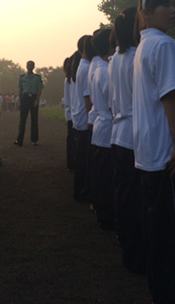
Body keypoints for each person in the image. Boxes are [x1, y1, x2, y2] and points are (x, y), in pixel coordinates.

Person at [132, 0, 175, 304]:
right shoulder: (161, 45)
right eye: (165, 6)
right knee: (171, 234)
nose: (173, 10)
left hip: (150, 153)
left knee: (158, 234)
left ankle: (165, 293)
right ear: (145, 14)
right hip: (166, 154)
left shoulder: (145, 45)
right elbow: (170, 97)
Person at [108, 7, 146, 274]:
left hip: (118, 133)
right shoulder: (136, 58)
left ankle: (126, 246)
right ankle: (136, 255)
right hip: (135, 134)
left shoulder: (115, 59)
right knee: (137, 199)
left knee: (124, 195)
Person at [89, 28, 114, 229]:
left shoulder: (99, 68)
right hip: (108, 129)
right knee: (107, 177)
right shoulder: (107, 71)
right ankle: (106, 216)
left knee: (101, 175)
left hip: (101, 127)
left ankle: (101, 210)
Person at [71, 36, 91, 201]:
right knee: (84, 160)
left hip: (81, 117)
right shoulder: (85, 68)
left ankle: (80, 189)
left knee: (82, 158)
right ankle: (81, 190)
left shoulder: (82, 66)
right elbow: (87, 99)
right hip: (85, 119)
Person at [14, 60, 43, 147]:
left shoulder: (37, 78)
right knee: (22, 120)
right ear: (26, 66)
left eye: (31, 65)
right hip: (25, 98)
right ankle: (19, 140)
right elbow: (20, 90)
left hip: (33, 97)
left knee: (34, 120)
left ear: (34, 67)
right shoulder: (22, 77)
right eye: (28, 65)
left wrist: (37, 100)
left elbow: (39, 89)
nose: (30, 67)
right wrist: (19, 100)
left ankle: (34, 140)